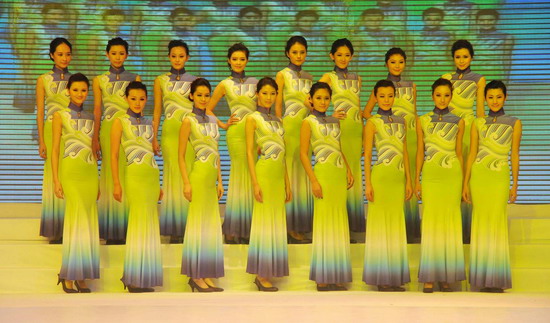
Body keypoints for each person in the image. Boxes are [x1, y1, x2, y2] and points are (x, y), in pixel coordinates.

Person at [463, 80, 522, 293]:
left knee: (496, 224)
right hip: (479, 177)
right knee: (480, 224)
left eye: (498, 97)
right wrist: (465, 183)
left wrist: (515, 185)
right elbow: (471, 154)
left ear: (505, 97)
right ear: (485, 99)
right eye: (490, 97)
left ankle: (495, 279)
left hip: (499, 178)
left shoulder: (515, 122)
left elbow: (514, 155)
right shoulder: (478, 123)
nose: (495, 101)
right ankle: (481, 279)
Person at [180, 78, 236, 293]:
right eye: (199, 95)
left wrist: (221, 180)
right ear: (192, 96)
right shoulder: (188, 121)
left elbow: (215, 151)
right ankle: (195, 276)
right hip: (197, 177)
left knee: (210, 226)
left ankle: (205, 273)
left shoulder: (212, 119)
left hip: (211, 179)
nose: (203, 99)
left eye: (206, 95)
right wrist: (186, 182)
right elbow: (180, 156)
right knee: (198, 225)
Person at [300, 82, 354, 291]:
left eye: (326, 98)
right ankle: (323, 277)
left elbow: (337, 147)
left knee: (339, 223)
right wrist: (313, 180)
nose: (323, 102)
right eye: (319, 98)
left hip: (338, 175)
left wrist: (348, 169)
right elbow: (304, 153)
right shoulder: (308, 122)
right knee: (324, 224)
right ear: (311, 99)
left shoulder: (335, 121)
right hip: (322, 176)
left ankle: (337, 275)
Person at [364, 48, 420, 242]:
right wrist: (382, 128)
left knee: (409, 182)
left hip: (408, 138)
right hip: (390, 138)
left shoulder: (412, 86)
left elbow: (413, 112)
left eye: (401, 61)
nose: (397, 65)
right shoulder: (382, 87)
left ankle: (411, 228)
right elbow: (366, 112)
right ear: (386, 63)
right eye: (393, 62)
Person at [111, 81, 163, 293]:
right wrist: (116, 182)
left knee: (149, 225)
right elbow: (114, 155)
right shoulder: (119, 122)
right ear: (126, 98)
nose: (138, 102)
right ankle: (132, 277)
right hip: (133, 176)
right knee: (137, 224)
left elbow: (151, 154)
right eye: (133, 98)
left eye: (142, 99)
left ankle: (143, 277)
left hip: (151, 177)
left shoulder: (150, 123)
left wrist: (159, 184)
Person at [415, 78, 465, 293]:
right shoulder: (423, 120)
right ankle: (430, 275)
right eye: (438, 95)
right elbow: (419, 151)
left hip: (452, 175)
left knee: (449, 223)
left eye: (446, 95)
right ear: (432, 96)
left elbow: (460, 153)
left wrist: (463, 183)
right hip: (431, 175)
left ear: (451, 96)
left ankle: (447, 276)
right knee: (431, 223)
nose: (442, 99)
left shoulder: (460, 121)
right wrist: (416, 179)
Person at [52, 73, 99, 293]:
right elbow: (54, 151)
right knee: (75, 221)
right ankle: (68, 274)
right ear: (67, 91)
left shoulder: (91, 117)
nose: (80, 94)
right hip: (70, 173)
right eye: (75, 90)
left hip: (89, 174)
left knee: (88, 223)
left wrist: (98, 180)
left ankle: (82, 275)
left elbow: (93, 150)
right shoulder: (59, 115)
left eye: (83, 90)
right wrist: (55, 179)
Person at [206, 43, 258, 244]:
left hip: (254, 134)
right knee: (238, 177)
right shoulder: (224, 84)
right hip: (236, 134)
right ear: (229, 60)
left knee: (252, 177)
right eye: (234, 59)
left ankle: (248, 228)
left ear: (247, 60)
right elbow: (207, 109)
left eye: (242, 59)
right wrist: (224, 124)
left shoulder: (255, 82)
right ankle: (234, 229)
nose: (238, 62)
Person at [363, 80, 412, 292]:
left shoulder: (402, 121)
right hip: (381, 177)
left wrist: (409, 180)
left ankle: (394, 277)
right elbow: (366, 156)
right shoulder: (372, 122)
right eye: (381, 96)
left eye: (390, 95)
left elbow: (405, 152)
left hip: (398, 178)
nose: (386, 99)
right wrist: (368, 184)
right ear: (375, 97)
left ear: (395, 96)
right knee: (380, 226)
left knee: (395, 225)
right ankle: (381, 277)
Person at [246, 77, 291, 292]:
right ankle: (260, 274)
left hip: (278, 177)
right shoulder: (252, 119)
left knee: (275, 222)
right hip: (263, 175)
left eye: (273, 93)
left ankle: (269, 270)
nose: (269, 97)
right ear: (257, 94)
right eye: (264, 93)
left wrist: (288, 183)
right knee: (264, 223)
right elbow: (249, 152)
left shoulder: (278, 120)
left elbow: (283, 153)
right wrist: (254, 182)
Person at [93, 37, 140, 245]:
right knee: (110, 175)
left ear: (127, 55)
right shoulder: (99, 80)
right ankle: (110, 228)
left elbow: (139, 109)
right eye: (114, 53)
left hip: (130, 132)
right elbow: (97, 110)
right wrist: (94, 137)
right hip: (108, 129)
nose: (118, 57)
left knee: (129, 174)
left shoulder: (135, 78)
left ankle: (128, 226)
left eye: (122, 53)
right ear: (107, 54)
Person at [154, 40, 198, 244]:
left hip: (190, 133)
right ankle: (173, 226)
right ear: (169, 57)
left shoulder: (195, 80)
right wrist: (153, 136)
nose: (177, 59)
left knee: (188, 173)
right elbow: (157, 111)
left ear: (187, 57)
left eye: (181, 56)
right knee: (172, 175)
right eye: (174, 56)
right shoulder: (160, 80)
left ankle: (189, 224)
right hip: (170, 133)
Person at [319, 38, 364, 234]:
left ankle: (352, 225)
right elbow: (309, 100)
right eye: (339, 55)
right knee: (341, 176)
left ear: (352, 56)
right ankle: (338, 225)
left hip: (355, 132)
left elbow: (359, 107)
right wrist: (329, 117)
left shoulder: (357, 78)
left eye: (347, 55)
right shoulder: (328, 77)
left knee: (354, 176)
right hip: (338, 132)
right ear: (332, 56)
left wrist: (363, 136)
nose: (343, 59)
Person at [442, 39, 486, 244]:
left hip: (469, 129)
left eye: (465, 56)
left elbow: (479, 110)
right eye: (458, 57)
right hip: (449, 130)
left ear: (472, 58)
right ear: (453, 58)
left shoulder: (479, 79)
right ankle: (452, 228)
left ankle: (468, 229)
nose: (461, 60)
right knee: (452, 174)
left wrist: (481, 132)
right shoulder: (445, 78)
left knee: (468, 176)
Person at [275, 36, 313, 244]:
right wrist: (277, 130)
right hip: (288, 128)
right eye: (295, 52)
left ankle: (299, 225)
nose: (299, 56)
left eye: (302, 52)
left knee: (302, 176)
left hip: (305, 129)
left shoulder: (309, 77)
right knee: (288, 174)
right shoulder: (282, 75)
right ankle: (287, 226)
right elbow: (278, 105)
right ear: (287, 53)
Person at [37, 37, 73, 244]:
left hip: (71, 133)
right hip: (51, 131)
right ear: (51, 55)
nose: (64, 58)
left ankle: (68, 223)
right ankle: (55, 229)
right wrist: (42, 141)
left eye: (68, 54)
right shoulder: (43, 80)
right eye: (60, 54)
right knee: (53, 174)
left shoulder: (76, 80)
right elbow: (40, 112)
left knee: (68, 173)